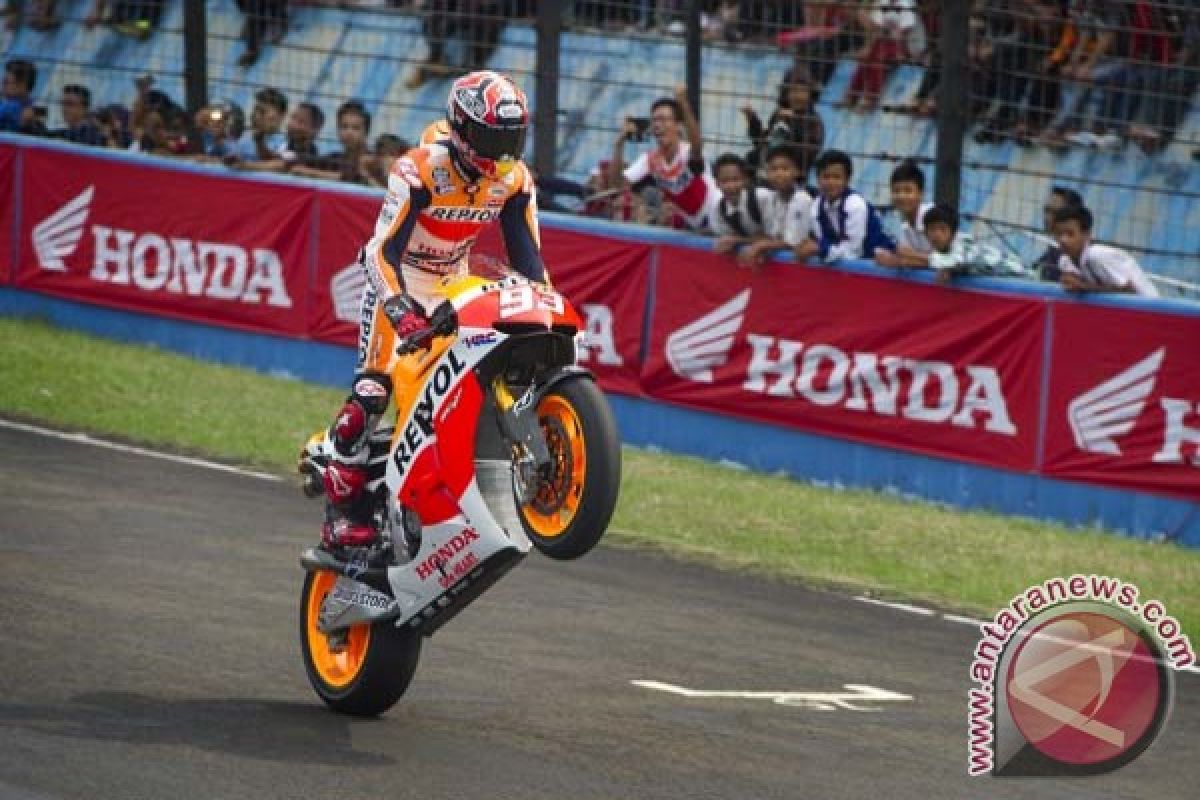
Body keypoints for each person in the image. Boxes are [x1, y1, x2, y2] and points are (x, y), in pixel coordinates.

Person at [307, 70, 546, 552]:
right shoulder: (416, 170)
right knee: (373, 392)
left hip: (455, 280)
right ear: (461, 128)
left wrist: (542, 308)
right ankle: (339, 514)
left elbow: (530, 261)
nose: (502, 151)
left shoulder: (515, 179)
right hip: (400, 282)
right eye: (491, 136)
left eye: (512, 138)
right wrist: (400, 310)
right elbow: (379, 252)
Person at [608, 87, 718, 234]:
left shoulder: (687, 152)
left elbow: (697, 146)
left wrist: (683, 104)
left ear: (678, 126)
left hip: (718, 214)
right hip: (696, 226)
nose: (658, 125)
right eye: (654, 120)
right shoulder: (650, 159)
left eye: (664, 119)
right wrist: (618, 144)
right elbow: (617, 185)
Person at [795, 149, 894, 264]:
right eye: (826, 177)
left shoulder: (855, 205)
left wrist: (819, 249)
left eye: (837, 177)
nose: (831, 182)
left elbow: (853, 252)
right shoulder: (816, 207)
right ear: (818, 179)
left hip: (879, 260)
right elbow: (823, 241)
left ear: (847, 180)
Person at [1053, 206, 1158, 297]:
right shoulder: (1065, 261)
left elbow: (1130, 290)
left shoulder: (1096, 255)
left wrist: (1083, 286)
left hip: (1150, 310)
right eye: (1059, 234)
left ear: (1086, 234)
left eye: (1070, 234)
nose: (1063, 240)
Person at [735, 145, 813, 268]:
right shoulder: (772, 198)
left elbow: (792, 242)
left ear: (797, 171)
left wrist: (761, 245)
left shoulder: (802, 199)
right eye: (773, 169)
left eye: (785, 169)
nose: (779, 174)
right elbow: (771, 235)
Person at [923, 204, 1028, 284]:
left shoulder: (964, 243)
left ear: (953, 233)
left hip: (1021, 275)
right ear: (925, 233)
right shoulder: (941, 252)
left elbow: (959, 262)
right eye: (932, 229)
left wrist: (948, 269)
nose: (937, 234)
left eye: (942, 229)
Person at [875, 159, 934, 269]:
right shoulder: (906, 223)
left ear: (921, 193)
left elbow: (945, 261)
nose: (901, 196)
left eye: (908, 191)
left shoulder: (932, 217)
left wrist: (899, 261)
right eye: (896, 191)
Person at [711, 152, 769, 254]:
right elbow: (727, 241)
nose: (731, 186)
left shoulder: (762, 198)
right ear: (716, 183)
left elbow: (776, 237)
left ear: (745, 179)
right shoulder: (719, 212)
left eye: (735, 179)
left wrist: (737, 240)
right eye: (725, 181)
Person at [1033, 185, 1083, 281]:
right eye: (1046, 210)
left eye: (1054, 212)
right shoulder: (1054, 247)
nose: (1047, 217)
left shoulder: (1071, 253)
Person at [0, 59, 36, 132]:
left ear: (22, 85)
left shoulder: (11, 106)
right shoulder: (28, 105)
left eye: (6, 81)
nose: (2, 84)